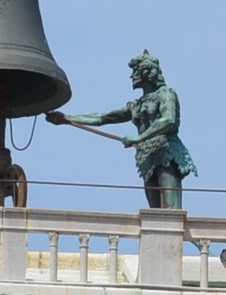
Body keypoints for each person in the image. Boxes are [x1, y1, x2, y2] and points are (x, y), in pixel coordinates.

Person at [46, 50, 197, 209]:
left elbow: (168, 120)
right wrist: (68, 119)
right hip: (147, 157)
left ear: (146, 72)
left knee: (171, 209)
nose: (132, 76)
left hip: (167, 152)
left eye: (135, 71)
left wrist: (139, 138)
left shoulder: (166, 94)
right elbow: (102, 118)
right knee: (155, 214)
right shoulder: (136, 105)